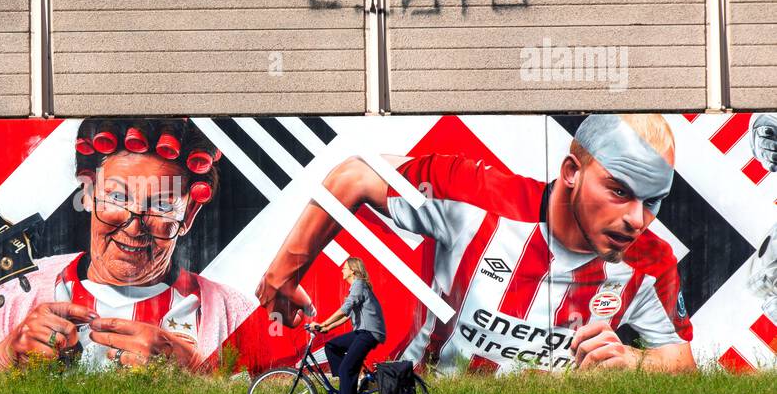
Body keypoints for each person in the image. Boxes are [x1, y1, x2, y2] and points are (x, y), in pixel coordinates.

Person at [259, 113, 695, 374]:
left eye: (652, 200)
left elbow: (683, 362)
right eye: (619, 191)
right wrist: (283, 273)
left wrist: (634, 362)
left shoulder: (652, 262)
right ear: (570, 172)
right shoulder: (473, 195)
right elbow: (352, 177)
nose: (638, 219)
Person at [0, 118, 257, 377]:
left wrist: (204, 373)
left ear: (189, 214)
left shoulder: (233, 311)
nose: (133, 225)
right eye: (116, 197)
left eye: (160, 205)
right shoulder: (15, 294)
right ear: (87, 193)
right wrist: (2, 357)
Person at [308, 257, 384, 394]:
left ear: (353, 271)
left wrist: (324, 323)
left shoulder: (358, 284)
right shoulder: (356, 287)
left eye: (344, 268)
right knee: (331, 346)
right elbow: (348, 316)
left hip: (368, 333)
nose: (342, 270)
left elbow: (344, 310)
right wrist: (327, 328)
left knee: (346, 368)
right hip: (361, 332)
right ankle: (351, 380)